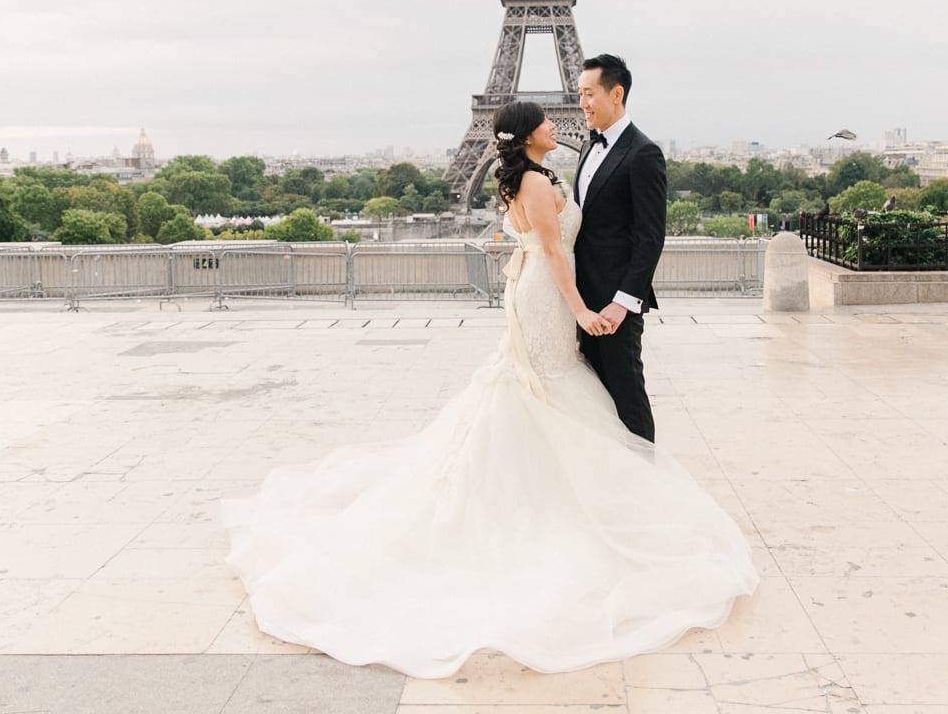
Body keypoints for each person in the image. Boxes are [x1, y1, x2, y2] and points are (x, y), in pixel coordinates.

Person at [222, 100, 757, 679]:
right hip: (550, 296)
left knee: (543, 395)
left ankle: (549, 495)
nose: (560, 124)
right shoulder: (532, 180)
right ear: (527, 135)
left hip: (540, 292)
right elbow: (553, 250)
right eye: (548, 123)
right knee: (549, 391)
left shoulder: (534, 175)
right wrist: (581, 309)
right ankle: (563, 503)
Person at [573, 53, 667, 442]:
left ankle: (648, 485)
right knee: (591, 401)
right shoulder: (586, 147)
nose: (582, 103)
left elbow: (650, 237)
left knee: (627, 399)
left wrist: (622, 302)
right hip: (580, 302)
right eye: (579, 93)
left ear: (617, 93)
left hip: (614, 308)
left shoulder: (643, 153)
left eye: (589, 93)